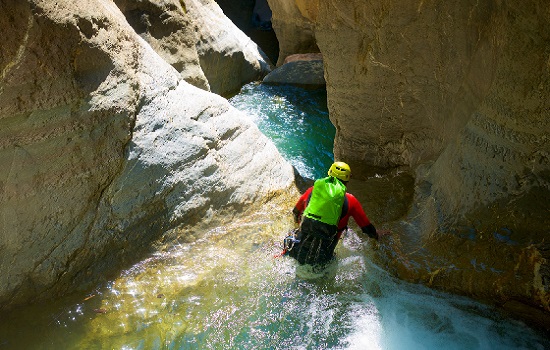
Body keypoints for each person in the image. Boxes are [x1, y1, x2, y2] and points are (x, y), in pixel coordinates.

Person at [283, 161, 390, 265]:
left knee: (292, 236)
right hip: (324, 253)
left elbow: (296, 212)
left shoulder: (313, 190)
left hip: (299, 244)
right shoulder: (351, 201)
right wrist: (376, 235)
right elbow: (367, 228)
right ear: (347, 179)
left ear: (329, 173)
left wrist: (297, 224)